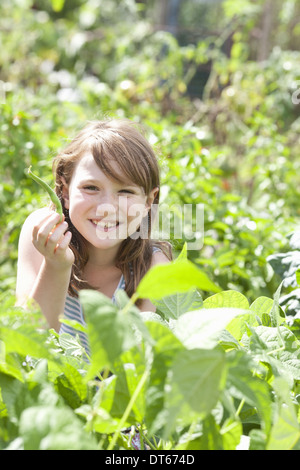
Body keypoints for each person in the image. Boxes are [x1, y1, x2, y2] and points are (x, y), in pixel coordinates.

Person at [16, 118, 172, 354]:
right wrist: (56, 265)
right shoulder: (40, 235)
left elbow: (137, 374)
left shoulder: (154, 269)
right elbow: (27, 349)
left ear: (148, 202)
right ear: (65, 191)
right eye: (91, 188)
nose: (106, 207)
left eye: (125, 191)